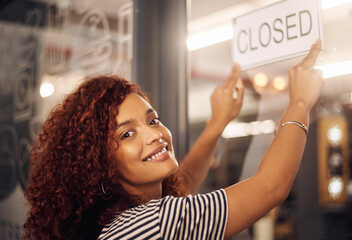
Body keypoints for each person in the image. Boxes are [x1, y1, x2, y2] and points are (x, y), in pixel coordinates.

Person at [23, 39, 323, 240]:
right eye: (127, 134)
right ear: (99, 165)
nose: (154, 134)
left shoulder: (118, 224)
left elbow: (183, 182)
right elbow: (271, 187)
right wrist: (299, 103)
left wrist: (216, 124)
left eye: (152, 120)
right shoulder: (153, 223)